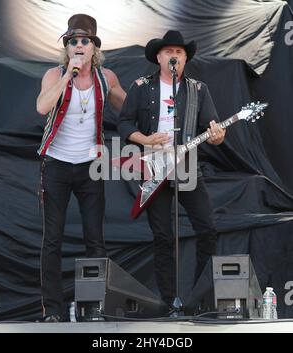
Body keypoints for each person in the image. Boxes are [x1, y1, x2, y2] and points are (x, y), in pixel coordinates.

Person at [118, 30, 226, 310]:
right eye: (169, 52)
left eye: (179, 52)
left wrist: (217, 135)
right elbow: (124, 123)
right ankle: (168, 301)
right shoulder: (141, 86)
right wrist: (145, 139)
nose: (174, 56)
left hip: (187, 164)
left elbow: (212, 128)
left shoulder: (198, 89)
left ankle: (201, 299)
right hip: (155, 164)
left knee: (207, 228)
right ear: (158, 57)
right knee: (163, 235)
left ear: (186, 58)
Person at [36, 14, 126, 322]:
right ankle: (53, 311)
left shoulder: (106, 78)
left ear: (94, 47)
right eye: (72, 41)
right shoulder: (54, 74)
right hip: (57, 165)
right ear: (67, 47)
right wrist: (67, 77)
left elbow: (128, 110)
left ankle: (93, 308)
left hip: (90, 166)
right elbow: (42, 107)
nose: (78, 45)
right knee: (52, 239)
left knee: (94, 239)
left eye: (84, 41)